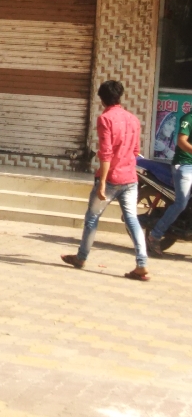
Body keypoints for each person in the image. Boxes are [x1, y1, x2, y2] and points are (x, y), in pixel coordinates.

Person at [62, 80, 150, 281]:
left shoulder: (105, 119)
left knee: (92, 218)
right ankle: (142, 263)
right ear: (120, 96)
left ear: (102, 99)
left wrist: (102, 182)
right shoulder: (133, 120)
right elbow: (136, 150)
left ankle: (81, 257)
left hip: (110, 178)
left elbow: (106, 152)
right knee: (132, 219)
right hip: (130, 178)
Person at [147, 112, 192, 256]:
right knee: (181, 203)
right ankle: (155, 235)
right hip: (185, 165)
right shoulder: (188, 118)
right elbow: (181, 141)